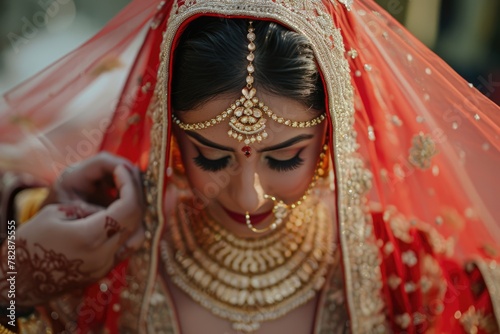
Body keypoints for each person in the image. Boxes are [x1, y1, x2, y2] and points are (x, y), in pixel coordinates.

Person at [0, 0, 499, 333]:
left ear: (334, 132)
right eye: (211, 157)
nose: (247, 196)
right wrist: (16, 278)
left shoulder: (409, 274)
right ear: (169, 134)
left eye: (284, 158)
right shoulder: (88, 250)